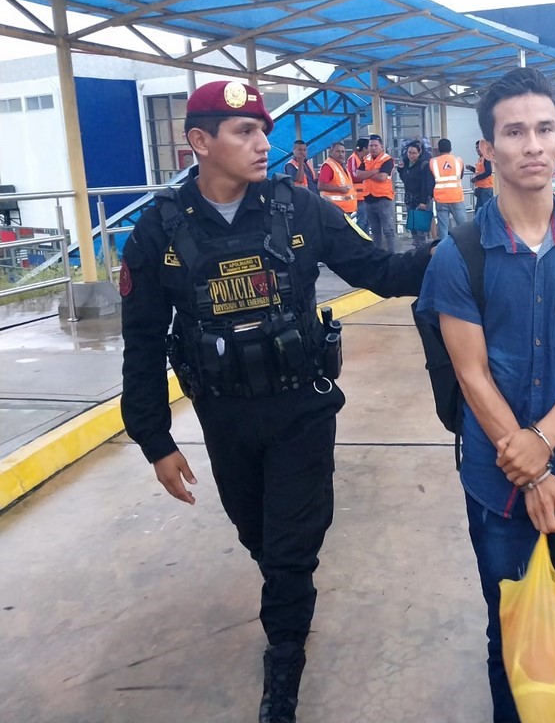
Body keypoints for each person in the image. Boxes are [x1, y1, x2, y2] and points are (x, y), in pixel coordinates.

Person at [119, 80, 433, 723]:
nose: (264, 143)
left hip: (300, 408)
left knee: (291, 546)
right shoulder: (158, 229)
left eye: (264, 130)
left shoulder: (301, 210)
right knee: (256, 533)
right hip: (224, 415)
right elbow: (143, 340)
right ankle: (287, 591)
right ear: (200, 141)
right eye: (245, 132)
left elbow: (381, 272)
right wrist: (155, 439)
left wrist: (462, 249)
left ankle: (284, 662)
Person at [416, 67, 555, 723]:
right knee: (510, 626)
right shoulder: (459, 255)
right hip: (497, 480)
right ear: (487, 149)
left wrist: (544, 443)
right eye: (514, 132)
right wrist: (531, 466)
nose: (533, 145)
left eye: (545, 129)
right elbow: (471, 374)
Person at [352, 134, 396, 252]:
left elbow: (382, 177)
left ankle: (391, 254)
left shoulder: (387, 159)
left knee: (388, 230)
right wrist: (374, 171)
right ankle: (378, 255)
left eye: (376, 145)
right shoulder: (366, 159)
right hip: (368, 199)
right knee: (375, 231)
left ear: (381, 146)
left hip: (383, 198)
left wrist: (367, 174)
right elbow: (358, 174)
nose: (373, 148)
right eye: (371, 145)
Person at [428, 137, 469, 239]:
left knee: (443, 227)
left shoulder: (433, 162)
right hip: (456, 196)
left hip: (440, 198)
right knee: (463, 226)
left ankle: (444, 247)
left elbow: (431, 179)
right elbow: (460, 176)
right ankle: (465, 245)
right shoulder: (458, 161)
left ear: (439, 149)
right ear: (450, 148)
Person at [396, 139, 433, 248]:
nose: (411, 155)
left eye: (413, 153)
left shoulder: (424, 164)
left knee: (421, 227)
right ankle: (417, 246)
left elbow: (426, 183)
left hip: (420, 198)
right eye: (409, 153)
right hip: (409, 198)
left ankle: (423, 248)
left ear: (419, 153)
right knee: (412, 226)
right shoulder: (406, 163)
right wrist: (400, 170)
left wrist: (423, 201)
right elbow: (405, 179)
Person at [317, 141, 357, 216]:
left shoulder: (341, 166)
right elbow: (321, 186)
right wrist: (340, 189)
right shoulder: (329, 166)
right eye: (338, 151)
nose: (341, 154)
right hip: (335, 210)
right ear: (331, 152)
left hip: (345, 210)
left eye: (343, 152)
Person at [347, 137, 369, 231]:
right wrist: (368, 175)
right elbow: (353, 176)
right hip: (358, 195)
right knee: (361, 221)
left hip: (364, 194)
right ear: (364, 148)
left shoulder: (363, 159)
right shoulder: (353, 159)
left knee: (366, 221)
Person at [471, 139, 495, 209]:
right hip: (481, 188)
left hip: (486, 188)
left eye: (479, 147)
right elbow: (479, 171)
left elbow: (488, 172)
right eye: (476, 147)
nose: (477, 149)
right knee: (479, 210)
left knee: (486, 209)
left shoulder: (486, 158)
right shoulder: (481, 159)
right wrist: (471, 168)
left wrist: (476, 178)